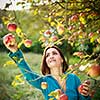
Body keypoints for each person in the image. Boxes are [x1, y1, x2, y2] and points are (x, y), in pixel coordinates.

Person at [3, 33, 91, 100]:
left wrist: (85, 95)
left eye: (54, 53)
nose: (51, 56)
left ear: (62, 59)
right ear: (46, 62)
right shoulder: (44, 82)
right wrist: (15, 51)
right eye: (47, 55)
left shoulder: (73, 78)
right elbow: (28, 75)